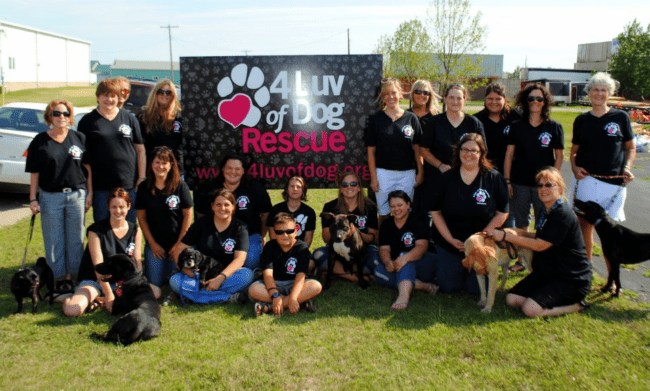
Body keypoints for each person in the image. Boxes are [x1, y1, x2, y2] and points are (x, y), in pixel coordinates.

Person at [487, 168, 592, 318]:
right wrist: (516, 233)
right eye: (540, 185)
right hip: (548, 273)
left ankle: (576, 305)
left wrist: (506, 236)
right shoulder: (546, 211)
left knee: (530, 310)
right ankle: (545, 297)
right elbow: (540, 236)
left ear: (560, 189)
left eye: (549, 185)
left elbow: (540, 245)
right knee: (512, 299)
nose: (543, 189)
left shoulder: (562, 214)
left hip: (570, 278)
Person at [570, 72, 635, 284]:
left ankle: (613, 279)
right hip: (588, 182)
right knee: (584, 228)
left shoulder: (620, 117)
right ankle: (587, 272)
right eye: (595, 90)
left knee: (610, 235)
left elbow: (630, 146)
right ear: (589, 93)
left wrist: (627, 167)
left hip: (614, 184)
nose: (599, 94)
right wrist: (574, 167)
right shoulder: (581, 120)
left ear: (610, 94)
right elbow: (574, 151)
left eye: (604, 90)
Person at [430, 134, 509, 294]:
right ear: (458, 152)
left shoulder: (493, 178)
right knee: (448, 287)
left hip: (480, 244)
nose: (468, 154)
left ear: (481, 153)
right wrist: (450, 240)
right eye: (464, 150)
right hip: (451, 244)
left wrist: (480, 238)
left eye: (474, 150)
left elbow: (502, 213)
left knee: (476, 290)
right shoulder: (446, 178)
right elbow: (435, 212)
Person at [26, 99, 91, 292]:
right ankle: (58, 279)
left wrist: (90, 193)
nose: (61, 117)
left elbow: (88, 167)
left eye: (65, 113)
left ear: (70, 117)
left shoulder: (79, 138)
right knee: (54, 240)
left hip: (76, 195)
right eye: (56, 113)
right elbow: (34, 172)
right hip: (50, 197)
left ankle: (71, 277)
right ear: (49, 117)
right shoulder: (39, 141)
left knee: (75, 238)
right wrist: (32, 198)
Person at [63, 188, 151, 317]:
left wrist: (138, 284)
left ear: (128, 207)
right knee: (72, 310)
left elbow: (137, 260)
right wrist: (109, 295)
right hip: (96, 281)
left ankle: (99, 301)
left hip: (121, 282)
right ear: (108, 207)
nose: (118, 211)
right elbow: (98, 267)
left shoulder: (135, 230)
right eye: (114, 207)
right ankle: (67, 298)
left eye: (122, 207)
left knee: (156, 292)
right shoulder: (96, 231)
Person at [78, 78, 146, 223]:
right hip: (101, 188)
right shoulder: (87, 121)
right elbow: (85, 161)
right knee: (103, 229)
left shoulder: (129, 118)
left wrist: (141, 177)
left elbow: (140, 150)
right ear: (98, 97)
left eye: (113, 96)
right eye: (105, 95)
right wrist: (89, 190)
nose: (109, 99)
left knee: (128, 228)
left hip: (128, 185)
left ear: (118, 97)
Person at [169, 189, 253, 304]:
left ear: (233, 207)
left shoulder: (240, 227)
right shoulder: (201, 223)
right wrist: (184, 269)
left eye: (226, 205)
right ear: (212, 206)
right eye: (218, 204)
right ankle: (227, 298)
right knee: (175, 281)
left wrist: (220, 279)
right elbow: (179, 249)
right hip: (199, 276)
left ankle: (197, 297)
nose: (222, 208)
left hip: (225, 275)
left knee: (247, 275)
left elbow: (240, 259)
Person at [193, 153, 272, 270]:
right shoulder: (209, 189)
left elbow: (266, 213)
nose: (232, 172)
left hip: (249, 235)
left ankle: (236, 274)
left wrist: (262, 236)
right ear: (222, 169)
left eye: (237, 169)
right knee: (206, 261)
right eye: (229, 168)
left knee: (249, 264)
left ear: (243, 171)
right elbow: (200, 214)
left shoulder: (255, 188)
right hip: (216, 235)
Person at [504, 83, 563, 231]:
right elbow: (509, 155)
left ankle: (540, 252)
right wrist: (508, 181)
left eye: (539, 98)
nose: (535, 102)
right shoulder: (516, 126)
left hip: (543, 184)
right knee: (521, 223)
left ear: (545, 102)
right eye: (531, 98)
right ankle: (525, 254)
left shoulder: (554, 127)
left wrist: (553, 181)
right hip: (520, 183)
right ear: (526, 101)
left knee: (543, 223)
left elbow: (559, 156)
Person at [365, 78, 423, 223]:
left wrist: (420, 172)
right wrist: (374, 178)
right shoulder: (375, 119)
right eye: (386, 94)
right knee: (384, 214)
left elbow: (418, 149)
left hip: (408, 174)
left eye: (394, 93)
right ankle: (383, 245)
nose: (390, 97)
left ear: (400, 94)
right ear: (382, 97)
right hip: (384, 174)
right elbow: (371, 152)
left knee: (405, 212)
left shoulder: (411, 118)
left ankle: (405, 243)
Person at [135, 146, 193, 289]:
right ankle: (165, 269)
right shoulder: (144, 187)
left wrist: (179, 245)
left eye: (164, 163)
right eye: (157, 162)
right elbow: (141, 218)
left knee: (179, 279)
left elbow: (188, 216)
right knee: (155, 282)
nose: (160, 166)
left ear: (171, 165)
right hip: (156, 244)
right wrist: (152, 244)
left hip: (178, 242)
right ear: (151, 164)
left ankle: (170, 269)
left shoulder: (180, 185)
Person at [374, 190, 438, 310]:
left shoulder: (419, 220)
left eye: (400, 205)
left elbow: (422, 246)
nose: (396, 209)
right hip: (398, 264)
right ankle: (422, 286)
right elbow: (384, 249)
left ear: (408, 204)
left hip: (424, 264)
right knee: (378, 271)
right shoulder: (386, 224)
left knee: (404, 257)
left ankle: (403, 296)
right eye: (393, 206)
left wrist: (405, 258)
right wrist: (388, 262)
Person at [249, 213, 322, 316]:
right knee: (253, 289)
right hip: (275, 283)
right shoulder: (270, 246)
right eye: (280, 232)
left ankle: (269, 306)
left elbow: (301, 276)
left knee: (316, 286)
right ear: (274, 234)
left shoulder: (302, 247)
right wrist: (275, 295)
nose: (285, 235)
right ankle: (299, 303)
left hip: (294, 283)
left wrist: (293, 297)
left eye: (289, 231)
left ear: (296, 231)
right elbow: (268, 274)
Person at [420, 83, 486, 196]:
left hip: (466, 178)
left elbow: (482, 151)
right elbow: (424, 150)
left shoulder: (474, 123)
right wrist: (440, 165)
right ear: (445, 99)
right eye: (451, 97)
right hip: (438, 177)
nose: (455, 101)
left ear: (464, 100)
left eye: (459, 98)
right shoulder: (434, 122)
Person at [313, 170, 379, 281]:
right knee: (318, 254)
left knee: (375, 261)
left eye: (353, 184)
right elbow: (326, 239)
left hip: (361, 250)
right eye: (345, 184)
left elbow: (374, 238)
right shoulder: (330, 207)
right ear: (341, 189)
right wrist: (336, 229)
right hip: (338, 248)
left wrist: (355, 233)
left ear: (359, 188)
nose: (349, 187)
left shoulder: (369, 206)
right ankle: (353, 277)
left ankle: (338, 272)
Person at [408, 80, 442, 215]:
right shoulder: (405, 116)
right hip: (409, 167)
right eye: (418, 91)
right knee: (410, 206)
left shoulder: (437, 117)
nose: (422, 95)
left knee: (430, 208)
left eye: (426, 92)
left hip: (432, 169)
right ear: (412, 94)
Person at [473, 82, 521, 175]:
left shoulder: (516, 117)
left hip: (513, 172)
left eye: (498, 99)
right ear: (485, 100)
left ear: (505, 99)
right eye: (490, 99)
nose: (494, 102)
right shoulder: (476, 120)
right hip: (485, 171)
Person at [138, 79, 184, 174]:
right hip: (151, 169)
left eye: (168, 92)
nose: (164, 95)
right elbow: (138, 146)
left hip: (175, 170)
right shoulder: (143, 116)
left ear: (174, 95)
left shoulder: (180, 116)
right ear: (155, 93)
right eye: (161, 92)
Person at [266, 176, 316, 247]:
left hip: (299, 251)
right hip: (278, 251)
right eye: (292, 186)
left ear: (303, 190)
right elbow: (273, 236)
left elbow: (308, 239)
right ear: (287, 189)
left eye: (298, 187)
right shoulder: (275, 210)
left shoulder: (309, 212)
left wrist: (300, 252)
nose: (295, 189)